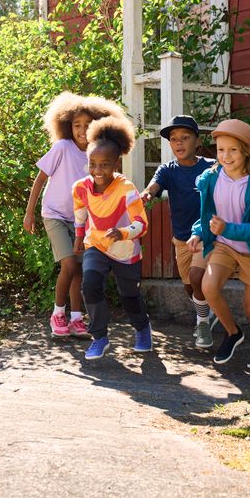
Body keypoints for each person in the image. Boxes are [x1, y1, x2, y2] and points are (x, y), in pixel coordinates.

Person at [24, 92, 125, 339]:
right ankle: (58, 313)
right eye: (76, 125)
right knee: (68, 264)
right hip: (55, 215)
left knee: (78, 270)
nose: (82, 130)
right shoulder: (62, 147)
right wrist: (30, 213)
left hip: (82, 220)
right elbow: (40, 179)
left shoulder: (98, 154)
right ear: (67, 126)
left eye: (88, 125)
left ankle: (77, 318)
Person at [187, 119, 250, 370]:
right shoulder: (211, 178)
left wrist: (228, 228)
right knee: (208, 286)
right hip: (224, 245)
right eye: (220, 150)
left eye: (233, 150)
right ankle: (232, 332)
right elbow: (208, 214)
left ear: (246, 150)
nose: (225, 156)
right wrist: (198, 233)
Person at [72, 114, 152, 360]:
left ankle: (142, 328)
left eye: (104, 164)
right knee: (90, 285)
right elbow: (80, 214)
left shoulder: (127, 189)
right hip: (96, 244)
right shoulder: (80, 187)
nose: (97, 170)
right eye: (92, 164)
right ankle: (100, 337)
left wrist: (123, 233)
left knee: (129, 296)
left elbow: (142, 224)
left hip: (126, 251)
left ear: (116, 164)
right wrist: (78, 238)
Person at [140, 115, 216, 348]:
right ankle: (206, 312)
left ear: (197, 141)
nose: (179, 143)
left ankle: (202, 322)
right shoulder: (168, 170)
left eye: (185, 138)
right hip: (181, 238)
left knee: (195, 276)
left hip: (206, 235)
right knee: (188, 285)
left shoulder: (211, 167)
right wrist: (146, 194)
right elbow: (153, 186)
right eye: (174, 139)